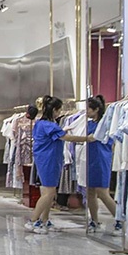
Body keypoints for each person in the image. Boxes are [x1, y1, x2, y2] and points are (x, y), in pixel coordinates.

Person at [29, 95, 93, 234]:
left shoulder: (41, 123)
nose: (59, 113)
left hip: (45, 159)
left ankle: (44, 219)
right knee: (49, 192)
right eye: (59, 110)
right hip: (49, 159)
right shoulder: (50, 125)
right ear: (54, 110)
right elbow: (66, 137)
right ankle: (34, 220)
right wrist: (86, 138)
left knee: (47, 192)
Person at [83, 95, 120, 233]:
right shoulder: (89, 123)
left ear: (96, 109)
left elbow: (96, 138)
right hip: (90, 159)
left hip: (101, 158)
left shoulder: (105, 124)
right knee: (90, 191)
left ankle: (119, 220)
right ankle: (94, 220)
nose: (86, 111)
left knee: (103, 192)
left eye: (88, 108)